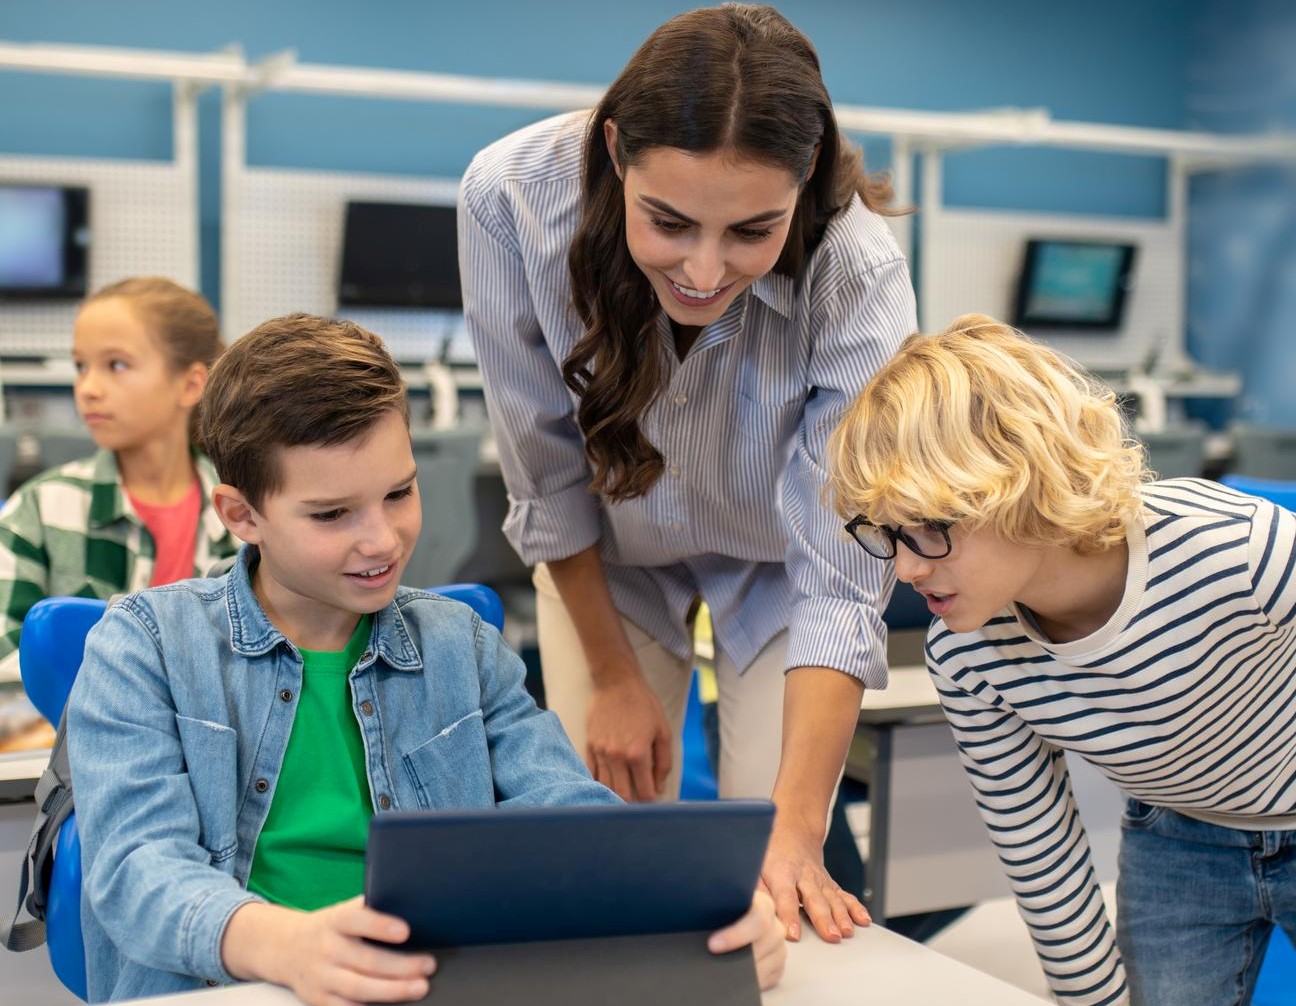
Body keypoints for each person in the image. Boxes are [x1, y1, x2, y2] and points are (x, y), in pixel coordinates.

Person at [823, 313, 1296, 1005]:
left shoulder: (1229, 547)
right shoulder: (967, 650)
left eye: (925, 530)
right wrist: (1092, 998)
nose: (906, 570)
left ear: (1023, 486)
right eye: (884, 535)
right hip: (1177, 841)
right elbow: (1035, 842)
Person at [68, 314, 786, 1003]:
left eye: (399, 492)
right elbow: (137, 871)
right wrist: (289, 946)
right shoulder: (144, 646)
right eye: (331, 514)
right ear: (240, 515)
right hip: (231, 988)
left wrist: (689, 906)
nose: (381, 539)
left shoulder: (461, 645)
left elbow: (569, 822)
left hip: (431, 986)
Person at [460, 3, 914, 941]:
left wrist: (793, 835)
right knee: (610, 851)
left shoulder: (858, 267)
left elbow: (842, 568)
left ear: (804, 184)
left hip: (782, 562)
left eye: (753, 232)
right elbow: (543, 474)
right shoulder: (509, 198)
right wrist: (614, 679)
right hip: (611, 558)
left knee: (777, 864)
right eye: (667, 223)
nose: (704, 272)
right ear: (617, 150)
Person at [0, 277, 237, 687]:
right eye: (80, 367)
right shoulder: (40, 508)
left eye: (117, 365)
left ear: (191, 384)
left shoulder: (244, 514)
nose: (87, 388)